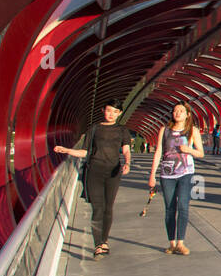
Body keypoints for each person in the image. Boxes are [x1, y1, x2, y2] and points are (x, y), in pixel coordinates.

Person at [54, 100, 131, 256]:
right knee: (97, 208)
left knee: (108, 208)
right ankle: (98, 244)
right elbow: (85, 152)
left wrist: (128, 163)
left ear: (119, 113)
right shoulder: (94, 129)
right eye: (109, 110)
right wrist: (67, 150)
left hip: (113, 173)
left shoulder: (122, 130)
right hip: (94, 172)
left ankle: (104, 241)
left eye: (115, 111)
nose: (111, 114)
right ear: (103, 110)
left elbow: (126, 150)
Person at [148, 102, 204, 255]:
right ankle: (171, 243)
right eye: (175, 111)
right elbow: (158, 152)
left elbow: (201, 153)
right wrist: (152, 175)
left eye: (181, 111)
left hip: (186, 173)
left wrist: (189, 150)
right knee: (169, 208)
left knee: (183, 206)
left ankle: (181, 242)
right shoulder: (164, 131)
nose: (177, 113)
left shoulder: (192, 131)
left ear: (188, 114)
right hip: (167, 174)